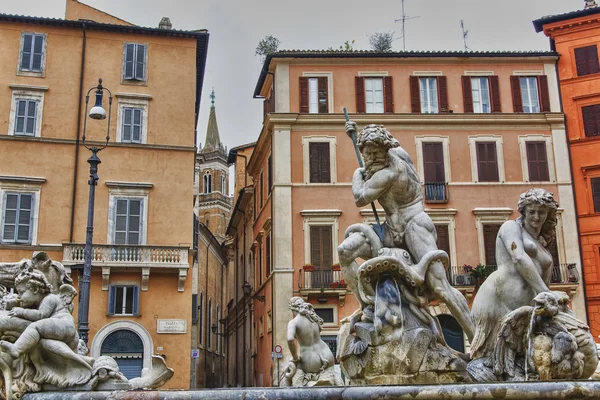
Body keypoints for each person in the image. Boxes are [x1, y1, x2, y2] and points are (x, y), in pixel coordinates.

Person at [338, 121, 474, 341]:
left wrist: (357, 172)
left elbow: (360, 197)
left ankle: (476, 338)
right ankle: (368, 306)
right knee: (345, 252)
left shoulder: (389, 173)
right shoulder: (396, 152)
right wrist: (358, 136)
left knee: (441, 287)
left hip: (414, 225)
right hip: (389, 231)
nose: (369, 159)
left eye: (374, 154)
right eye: (366, 154)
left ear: (385, 150)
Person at [470, 188, 558, 360]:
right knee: (487, 360)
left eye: (541, 212)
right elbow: (519, 258)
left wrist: (545, 301)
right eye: (531, 211)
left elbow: (544, 281)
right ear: (523, 211)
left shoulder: (543, 245)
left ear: (548, 213)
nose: (536, 217)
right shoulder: (510, 227)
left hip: (524, 309)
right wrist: (546, 293)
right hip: (496, 300)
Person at [0, 269, 79, 359]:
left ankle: (17, 349)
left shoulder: (49, 298)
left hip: (64, 325)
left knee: (36, 326)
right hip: (65, 329)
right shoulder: (40, 302)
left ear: (35, 289)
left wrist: (22, 312)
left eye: (21, 292)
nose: (19, 296)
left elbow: (41, 315)